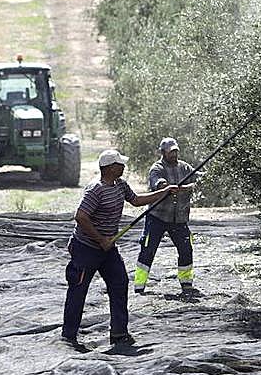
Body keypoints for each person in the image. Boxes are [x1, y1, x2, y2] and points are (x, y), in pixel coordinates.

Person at [61, 149, 179, 349]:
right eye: (120, 164)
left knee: (120, 283)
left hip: (108, 250)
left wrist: (165, 193)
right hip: (86, 248)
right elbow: (81, 216)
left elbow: (136, 200)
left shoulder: (120, 185)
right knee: (78, 290)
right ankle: (69, 336)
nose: (123, 167)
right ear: (109, 168)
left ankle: (119, 333)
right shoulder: (95, 190)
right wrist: (100, 239)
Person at [134, 137, 199, 298]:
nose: (174, 155)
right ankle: (139, 285)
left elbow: (197, 181)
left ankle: (186, 283)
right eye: (171, 152)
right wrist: (167, 188)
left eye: (176, 151)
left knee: (186, 249)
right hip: (157, 217)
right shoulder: (156, 168)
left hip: (179, 219)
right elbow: (159, 184)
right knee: (148, 250)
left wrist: (184, 188)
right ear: (163, 152)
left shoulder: (185, 167)